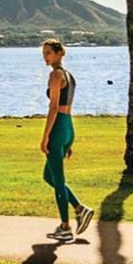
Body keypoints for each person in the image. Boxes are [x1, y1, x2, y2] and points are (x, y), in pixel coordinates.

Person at [40, 39, 95, 242]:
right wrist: (68, 140)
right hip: (68, 126)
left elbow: (53, 107)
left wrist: (46, 136)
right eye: (43, 53)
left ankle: (65, 227)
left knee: (59, 180)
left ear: (58, 53)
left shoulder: (55, 75)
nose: (45, 57)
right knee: (49, 176)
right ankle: (80, 209)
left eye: (48, 53)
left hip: (59, 127)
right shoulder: (69, 76)